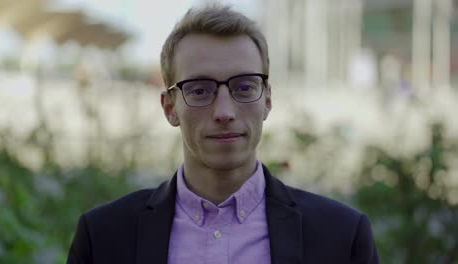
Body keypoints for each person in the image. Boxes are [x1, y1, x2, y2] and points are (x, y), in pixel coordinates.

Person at [67, 5, 378, 264]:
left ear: (267, 100)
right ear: (169, 107)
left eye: (244, 87)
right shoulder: (103, 237)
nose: (224, 111)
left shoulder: (342, 237)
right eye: (200, 90)